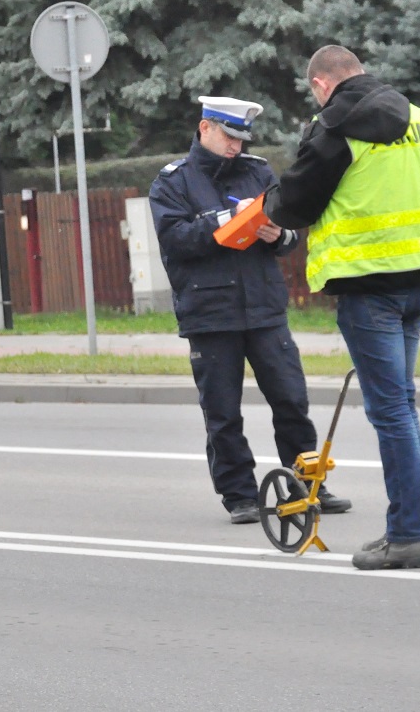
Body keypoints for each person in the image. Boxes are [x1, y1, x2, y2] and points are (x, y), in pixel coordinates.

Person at [263, 46, 420, 570]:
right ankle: (408, 528)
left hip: (368, 289)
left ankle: (409, 535)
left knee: (391, 414)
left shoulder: (334, 126)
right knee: (402, 408)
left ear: (322, 84)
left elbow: (297, 202)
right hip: (418, 280)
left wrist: (270, 209)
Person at [148, 95, 352, 525]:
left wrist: (278, 236)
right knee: (223, 411)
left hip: (264, 308)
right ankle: (239, 495)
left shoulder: (258, 171)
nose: (236, 147)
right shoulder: (173, 181)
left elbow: (291, 235)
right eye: (228, 136)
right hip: (210, 312)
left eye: (241, 139)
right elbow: (176, 241)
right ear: (205, 129)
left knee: (292, 400)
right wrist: (227, 219)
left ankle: (307, 485)